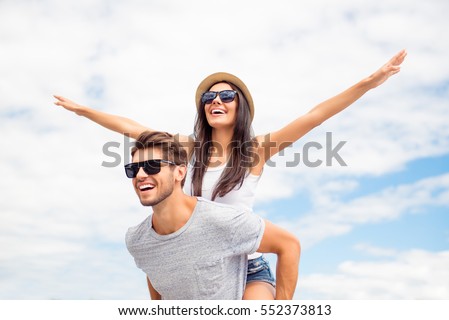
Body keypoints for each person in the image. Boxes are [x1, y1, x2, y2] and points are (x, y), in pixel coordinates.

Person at [53, 49, 407, 299]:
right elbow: (135, 127)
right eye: (208, 96)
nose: (215, 101)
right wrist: (84, 111)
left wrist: (370, 81)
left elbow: (315, 115)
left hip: (247, 266)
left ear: (240, 106)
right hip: (197, 266)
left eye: (226, 95)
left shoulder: (254, 151)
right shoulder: (188, 150)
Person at [125, 130, 300, 300]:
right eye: (133, 169)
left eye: (152, 166)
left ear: (180, 172)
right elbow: (154, 272)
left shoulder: (221, 221)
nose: (140, 175)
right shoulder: (137, 241)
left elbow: (289, 244)